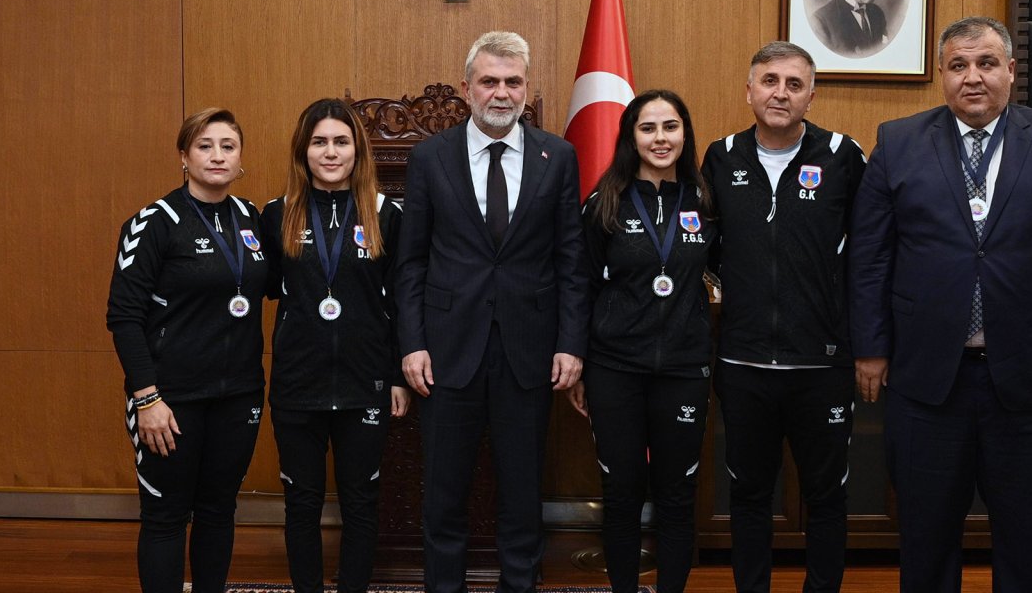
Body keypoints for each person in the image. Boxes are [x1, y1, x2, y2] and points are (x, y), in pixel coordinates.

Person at [848, 16, 1032, 592]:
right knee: (925, 542)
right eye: (958, 66)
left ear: (1010, 71)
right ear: (942, 76)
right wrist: (870, 347)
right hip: (927, 383)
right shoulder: (897, 142)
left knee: (1027, 543)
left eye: (986, 64)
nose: (972, 78)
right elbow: (870, 259)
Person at [395, 31, 589, 593]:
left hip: (529, 353)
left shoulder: (559, 156)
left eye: (513, 82)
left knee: (523, 494)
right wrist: (411, 344)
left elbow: (571, 260)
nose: (501, 93)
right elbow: (410, 263)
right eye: (489, 81)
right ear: (466, 89)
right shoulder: (432, 156)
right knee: (445, 495)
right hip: (446, 353)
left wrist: (572, 343)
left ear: (527, 89)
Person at [701, 41, 867, 593]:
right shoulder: (720, 157)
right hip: (744, 362)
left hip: (821, 364)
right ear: (748, 89)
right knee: (748, 495)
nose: (781, 92)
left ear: (812, 94)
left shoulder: (845, 156)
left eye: (794, 84)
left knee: (827, 496)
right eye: (769, 80)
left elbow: (870, 254)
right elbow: (705, 248)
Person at [106, 107, 269, 593]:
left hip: (239, 394)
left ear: (240, 159)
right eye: (204, 146)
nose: (217, 156)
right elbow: (124, 317)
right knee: (166, 515)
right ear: (183, 156)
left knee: (219, 510)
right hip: (169, 400)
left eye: (227, 146)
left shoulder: (250, 217)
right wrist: (147, 398)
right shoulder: (154, 222)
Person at [567, 90, 717, 593]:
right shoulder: (603, 202)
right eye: (648, 128)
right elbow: (581, 288)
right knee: (622, 493)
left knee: (677, 496)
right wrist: (583, 366)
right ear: (631, 137)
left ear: (684, 134)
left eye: (670, 127)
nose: (660, 138)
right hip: (615, 371)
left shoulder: (706, 201)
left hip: (683, 370)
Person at [261, 98, 410, 593]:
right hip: (296, 386)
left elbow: (404, 301)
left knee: (361, 502)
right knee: (302, 503)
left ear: (357, 150)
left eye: (341, 142)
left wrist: (393, 376)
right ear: (303, 151)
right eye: (319, 142)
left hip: (364, 384)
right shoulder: (275, 215)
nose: (330, 152)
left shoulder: (388, 214)